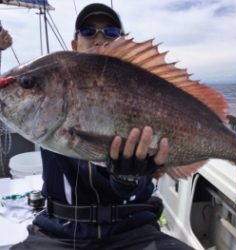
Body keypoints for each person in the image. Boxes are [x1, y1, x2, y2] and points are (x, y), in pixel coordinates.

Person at [10, 3, 194, 250]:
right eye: (88, 32)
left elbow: (141, 179)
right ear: (74, 45)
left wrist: (128, 176)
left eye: (110, 33)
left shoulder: (142, 88)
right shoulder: (53, 83)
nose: (99, 38)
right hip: (58, 230)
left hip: (133, 228)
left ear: (121, 42)